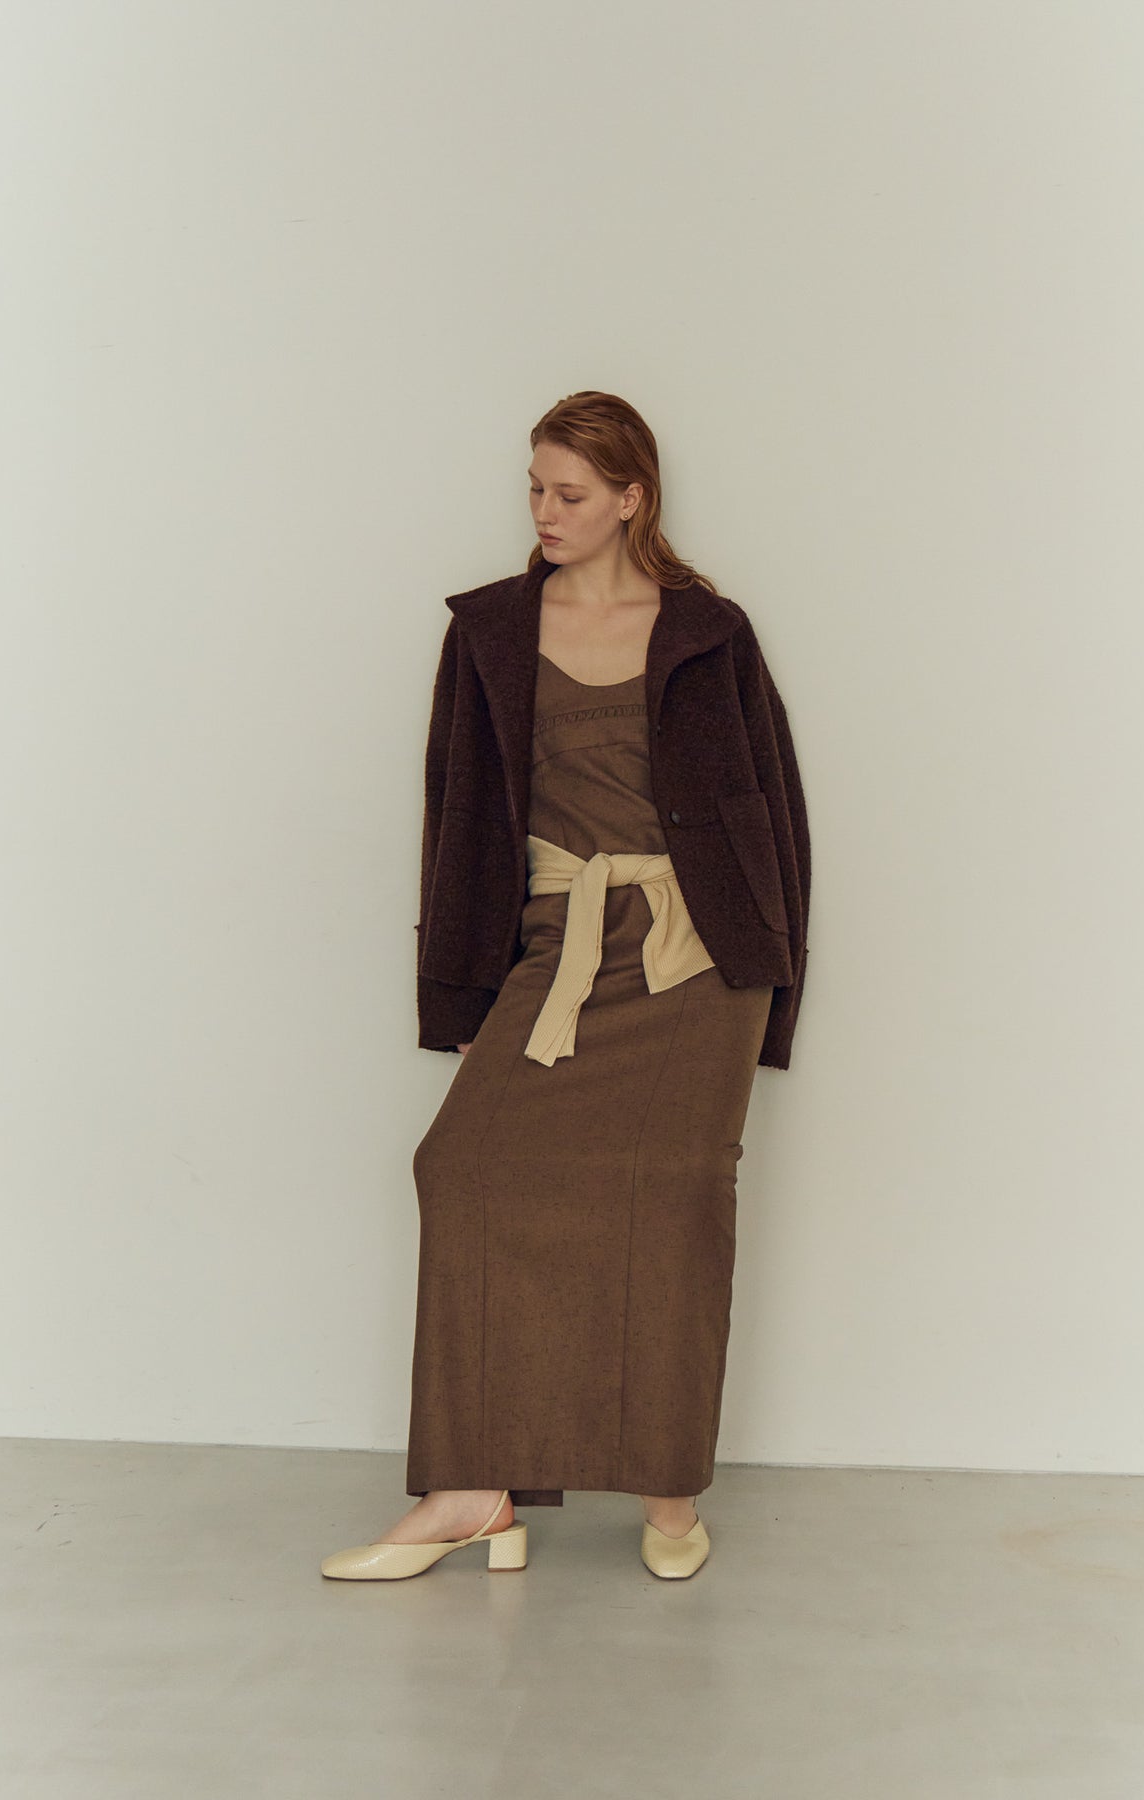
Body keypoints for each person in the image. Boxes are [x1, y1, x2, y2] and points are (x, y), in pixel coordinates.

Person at [321, 390, 811, 1583]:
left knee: (671, 1205)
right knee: (465, 1167)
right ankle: (471, 1490)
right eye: (535, 488)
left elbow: (775, 814)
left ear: (631, 498)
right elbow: (455, 814)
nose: (545, 511)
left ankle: (668, 1493)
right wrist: (456, 992)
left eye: (571, 493)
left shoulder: (710, 634)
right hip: (557, 950)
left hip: (697, 962)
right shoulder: (489, 632)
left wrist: (777, 989)